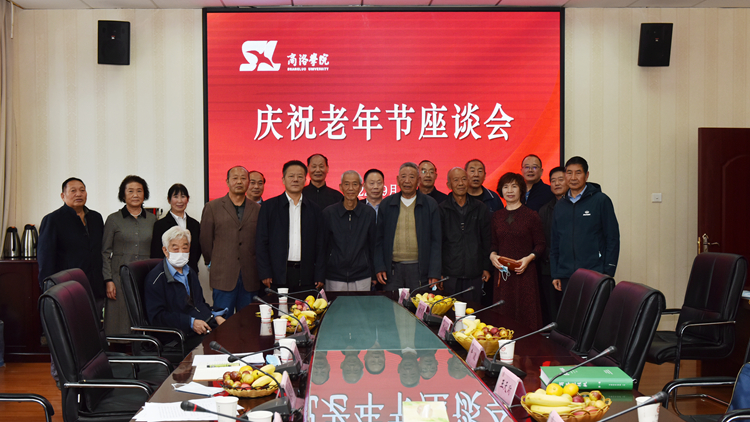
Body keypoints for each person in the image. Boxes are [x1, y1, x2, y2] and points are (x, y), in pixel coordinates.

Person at [145, 226, 226, 352]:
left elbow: (198, 304)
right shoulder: (156, 279)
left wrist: (214, 316)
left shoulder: (190, 272)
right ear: (165, 250)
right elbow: (157, 317)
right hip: (175, 337)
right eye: (175, 249)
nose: (181, 253)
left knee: (229, 334)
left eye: (184, 248)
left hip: (196, 330)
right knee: (217, 345)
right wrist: (190, 323)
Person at [550, 156, 620, 293]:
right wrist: (555, 273)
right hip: (565, 274)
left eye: (578, 172)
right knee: (570, 308)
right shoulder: (560, 206)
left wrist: (608, 271)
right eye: (569, 173)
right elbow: (555, 242)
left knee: (593, 307)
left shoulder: (601, 200)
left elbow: (612, 237)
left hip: (595, 272)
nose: (573, 177)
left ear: (586, 175)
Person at [200, 166, 261, 317]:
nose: (239, 182)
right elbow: (206, 240)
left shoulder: (257, 209)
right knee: (222, 322)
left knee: (247, 321)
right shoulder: (212, 207)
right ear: (227, 182)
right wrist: (214, 262)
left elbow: (261, 242)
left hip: (250, 276)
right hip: (223, 276)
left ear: (248, 182)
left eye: (243, 178)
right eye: (235, 178)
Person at [256, 160, 325, 293]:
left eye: (299, 176)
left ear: (305, 180)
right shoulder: (269, 207)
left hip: (307, 275)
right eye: (291, 176)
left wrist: (320, 274)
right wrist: (265, 272)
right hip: (277, 275)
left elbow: (320, 245)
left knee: (305, 306)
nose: (295, 180)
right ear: (283, 179)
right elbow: (261, 242)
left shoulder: (314, 209)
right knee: (279, 306)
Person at [38, 178, 105, 312]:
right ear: (63, 196)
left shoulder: (96, 218)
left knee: (95, 323)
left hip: (96, 287)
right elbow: (45, 259)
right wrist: (49, 290)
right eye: (73, 191)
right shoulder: (53, 220)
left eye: (82, 190)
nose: (78, 194)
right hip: (67, 288)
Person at [102, 175, 157, 336]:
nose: (135, 195)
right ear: (123, 194)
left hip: (145, 278)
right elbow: (105, 252)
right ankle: (119, 350)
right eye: (130, 191)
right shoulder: (113, 219)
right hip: (118, 278)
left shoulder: (153, 220)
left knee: (143, 318)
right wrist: (108, 280)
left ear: (144, 194)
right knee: (119, 321)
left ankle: (143, 349)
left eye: (139, 191)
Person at [489, 172, 545, 329]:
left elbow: (540, 244)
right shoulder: (497, 216)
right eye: (506, 187)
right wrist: (492, 256)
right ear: (501, 190)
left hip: (525, 272)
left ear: (521, 190)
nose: (510, 190)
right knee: (503, 314)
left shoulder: (531, 215)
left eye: (514, 186)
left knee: (526, 314)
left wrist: (528, 259)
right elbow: (493, 244)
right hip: (503, 274)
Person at [375, 162, 441, 291]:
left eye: (411, 177)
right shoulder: (387, 204)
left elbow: (436, 241)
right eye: (403, 176)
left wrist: (434, 271)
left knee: (418, 303)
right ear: (397, 180)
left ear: (418, 180)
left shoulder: (430, 204)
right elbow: (379, 240)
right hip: (392, 270)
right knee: (392, 303)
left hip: (420, 270)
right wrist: (379, 266)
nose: (407, 181)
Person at [439, 167, 491, 303]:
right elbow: (438, 243)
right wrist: (439, 272)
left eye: (464, 179)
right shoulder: (441, 209)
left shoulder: (480, 208)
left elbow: (486, 239)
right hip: (450, 274)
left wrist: (486, 267)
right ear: (449, 185)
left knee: (473, 311)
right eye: (456, 180)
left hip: (475, 272)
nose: (461, 183)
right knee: (449, 311)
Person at [321, 170, 377, 292]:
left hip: (362, 275)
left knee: (361, 305)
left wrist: (373, 273)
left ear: (361, 187)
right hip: (334, 275)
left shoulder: (369, 213)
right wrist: (320, 275)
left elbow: (373, 245)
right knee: (335, 305)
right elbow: (322, 247)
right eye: (346, 184)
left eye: (355, 184)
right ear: (341, 187)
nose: (350, 188)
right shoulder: (329, 213)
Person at [150, 184, 201, 273]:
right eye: (176, 197)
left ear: (187, 199)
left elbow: (197, 251)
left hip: (190, 271)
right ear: (169, 199)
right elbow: (156, 253)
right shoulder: (160, 225)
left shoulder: (195, 224)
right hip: (168, 273)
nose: (180, 201)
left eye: (183, 196)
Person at [538, 167, 567, 324]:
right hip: (549, 267)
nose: (556, 183)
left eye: (560, 179)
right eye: (553, 181)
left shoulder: (577, 206)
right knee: (552, 310)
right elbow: (540, 239)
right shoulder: (544, 210)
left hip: (572, 268)